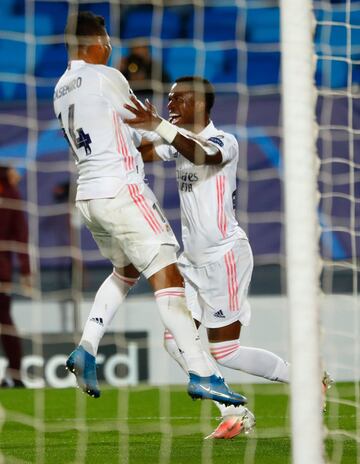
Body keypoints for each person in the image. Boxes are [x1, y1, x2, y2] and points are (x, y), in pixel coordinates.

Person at [53, 11, 246, 409]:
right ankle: (202, 373)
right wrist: (161, 126)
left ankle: (87, 346)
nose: (110, 45)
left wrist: (159, 134)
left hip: (88, 196)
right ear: (95, 41)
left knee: (125, 272)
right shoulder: (107, 77)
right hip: (122, 192)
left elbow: (130, 134)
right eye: (106, 37)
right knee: (167, 275)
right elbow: (145, 123)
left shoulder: (60, 88)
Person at [124, 76, 333, 439]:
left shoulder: (224, 141)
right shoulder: (178, 143)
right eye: (169, 100)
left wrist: (158, 125)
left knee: (226, 351)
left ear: (201, 105)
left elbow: (205, 155)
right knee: (176, 340)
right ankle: (233, 411)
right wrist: (121, 131)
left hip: (225, 258)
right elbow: (143, 152)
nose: (170, 105)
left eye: (179, 99)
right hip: (192, 263)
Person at [0, 166, 31, 388]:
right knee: (5, 323)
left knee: (5, 322)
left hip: (2, 272)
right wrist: (26, 271)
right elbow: (20, 236)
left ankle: (15, 373)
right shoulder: (10, 193)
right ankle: (16, 374)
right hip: (2, 271)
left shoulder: (10, 193)